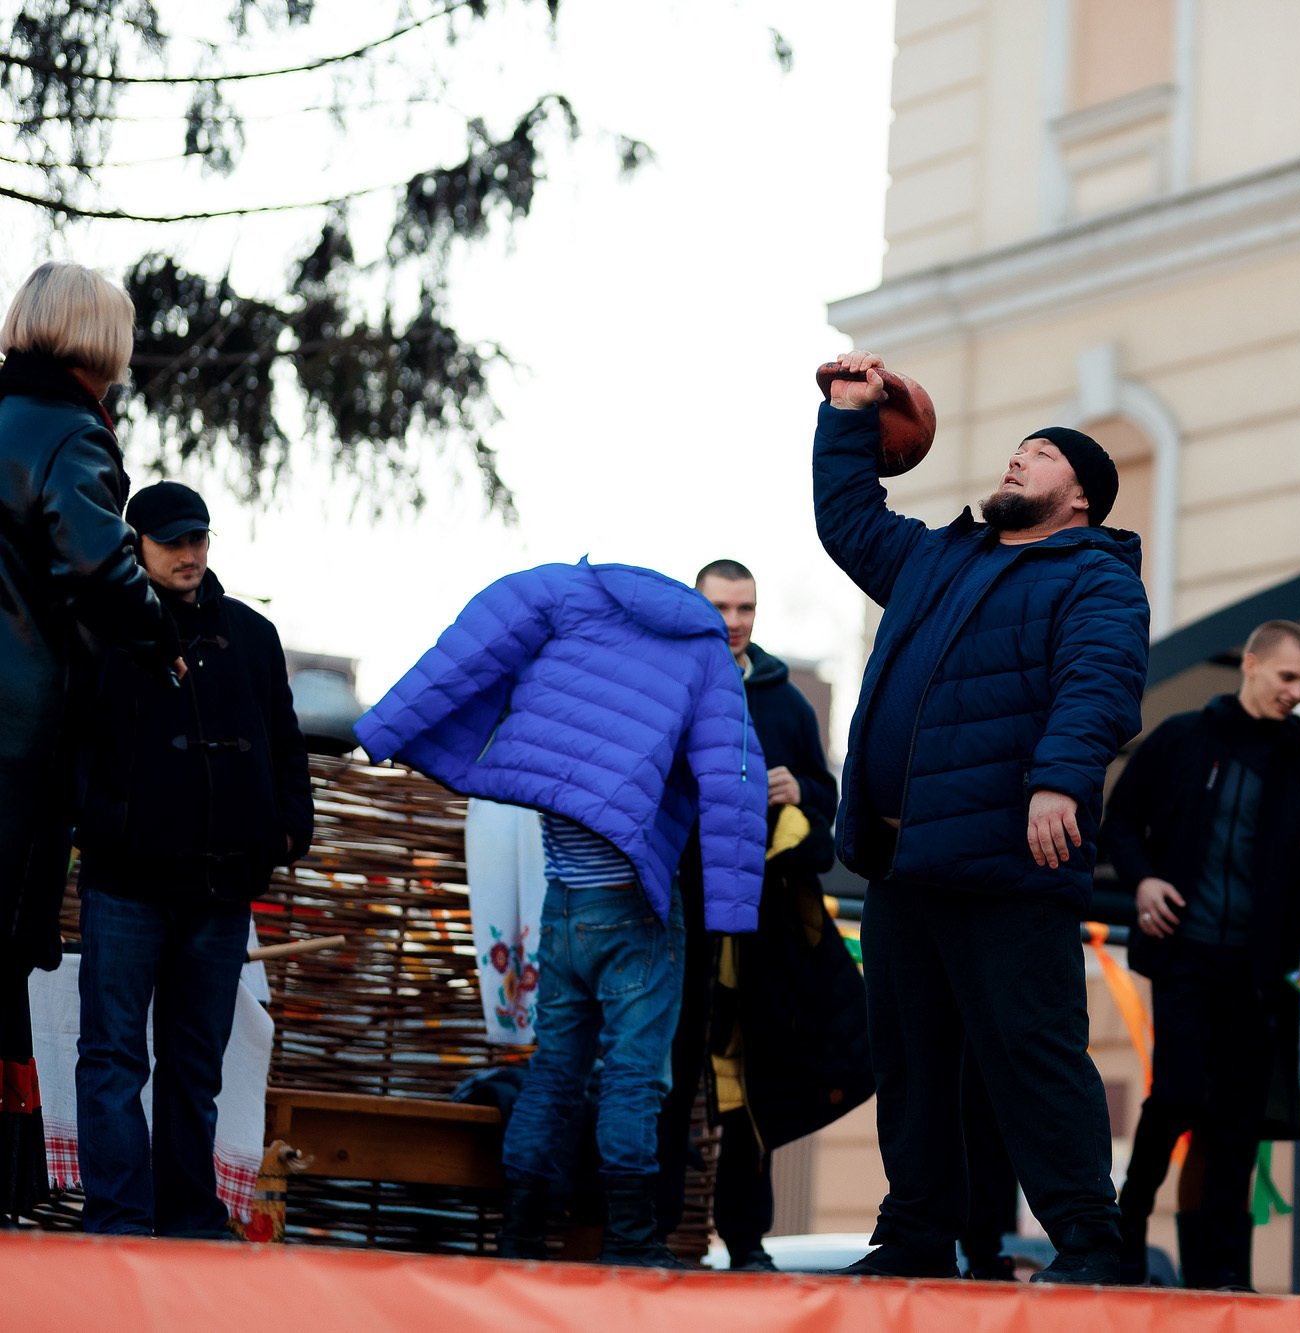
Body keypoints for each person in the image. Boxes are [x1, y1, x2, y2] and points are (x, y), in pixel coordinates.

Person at [814, 349, 1149, 1284]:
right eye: (1016, 449)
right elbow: (847, 518)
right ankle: (917, 1232)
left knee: (1032, 1056)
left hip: (1009, 858)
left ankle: (1089, 1242)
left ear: (1081, 495)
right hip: (903, 858)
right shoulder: (937, 558)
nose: (1016, 460)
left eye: (1040, 454)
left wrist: (1058, 781)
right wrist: (849, 413)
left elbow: (1100, 686)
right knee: (912, 1065)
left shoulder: (1096, 579)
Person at [356, 560, 769, 1267]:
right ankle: (632, 1240)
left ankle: (519, 1234)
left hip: (563, 903)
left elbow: (470, 648)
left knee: (553, 1072)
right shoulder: (704, 652)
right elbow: (734, 778)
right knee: (636, 1077)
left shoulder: (566, 598)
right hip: (636, 910)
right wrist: (732, 908)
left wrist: (392, 724)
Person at [71, 481, 312, 1236]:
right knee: (113, 1059)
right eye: (173, 540)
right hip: (127, 884)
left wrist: (285, 832)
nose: (189, 553)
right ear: (135, 543)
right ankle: (116, 1217)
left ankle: (185, 1220)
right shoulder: (99, 631)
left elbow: (284, 745)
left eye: (199, 538)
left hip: (219, 887)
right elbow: (69, 747)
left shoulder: (252, 634)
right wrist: (110, 826)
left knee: (194, 1066)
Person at [0, 262, 180, 1222]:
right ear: (98, 342)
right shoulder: (70, 430)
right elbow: (101, 572)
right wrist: (171, 636)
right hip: (18, 738)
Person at [1100, 618, 1300, 1289]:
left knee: (1239, 1122)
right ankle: (1127, 1226)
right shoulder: (1184, 736)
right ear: (1251, 663)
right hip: (1184, 954)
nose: (1297, 691)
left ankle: (1223, 1271)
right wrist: (1143, 877)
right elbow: (1119, 820)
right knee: (1178, 1095)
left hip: (1260, 971)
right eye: (1287, 676)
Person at [683, 558, 870, 1272]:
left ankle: (747, 1240)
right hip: (681, 919)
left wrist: (799, 792)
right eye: (722, 607)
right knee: (667, 1082)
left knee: (749, 1092)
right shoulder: (672, 681)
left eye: (746, 608)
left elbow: (828, 811)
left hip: (763, 931)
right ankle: (650, 1235)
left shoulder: (786, 700)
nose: (734, 622)